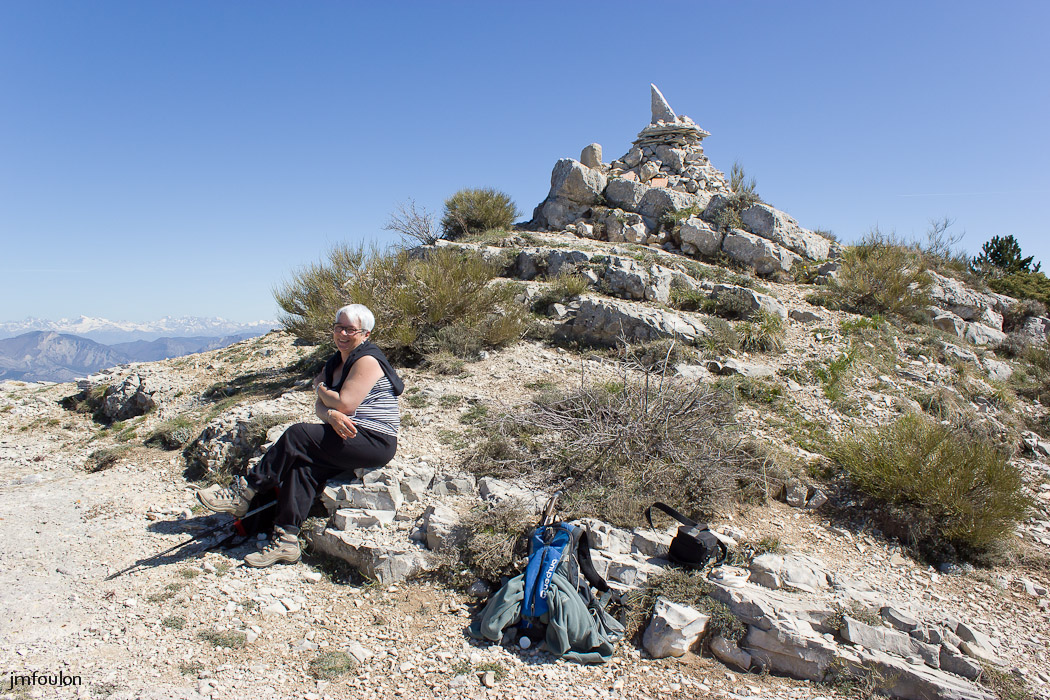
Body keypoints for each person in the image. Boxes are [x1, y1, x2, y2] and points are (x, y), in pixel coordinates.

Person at [196, 303, 403, 567]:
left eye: (351, 329)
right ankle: (286, 541)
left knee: (297, 434)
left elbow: (345, 404)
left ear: (365, 334)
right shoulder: (335, 362)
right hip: (349, 433)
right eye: (338, 327)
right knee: (304, 466)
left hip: (374, 440)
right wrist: (328, 412)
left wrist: (323, 392)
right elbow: (324, 406)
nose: (342, 333)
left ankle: (246, 491)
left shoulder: (367, 360)